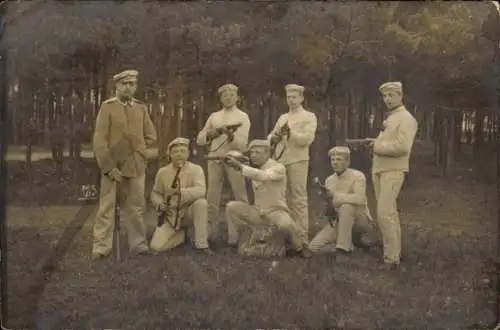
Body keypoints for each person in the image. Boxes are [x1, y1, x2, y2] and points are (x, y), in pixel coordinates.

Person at [92, 69, 157, 259]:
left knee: (136, 206)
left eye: (132, 84)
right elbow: (100, 141)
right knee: (107, 207)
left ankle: (138, 244)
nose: (128, 87)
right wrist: (109, 167)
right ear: (117, 86)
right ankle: (101, 247)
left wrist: (141, 154)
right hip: (112, 168)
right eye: (124, 84)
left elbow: (151, 137)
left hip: (136, 167)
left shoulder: (141, 108)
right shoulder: (107, 108)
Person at [224, 139, 313, 258]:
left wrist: (240, 166)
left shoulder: (278, 167)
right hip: (258, 211)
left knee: (286, 224)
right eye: (252, 153)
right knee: (232, 207)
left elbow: (263, 176)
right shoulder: (254, 167)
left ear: (267, 153)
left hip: (276, 212)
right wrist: (240, 165)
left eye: (257, 152)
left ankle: (299, 247)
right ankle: (234, 242)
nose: (253, 155)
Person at [370, 81, 418, 269]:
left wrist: (376, 146)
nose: (387, 100)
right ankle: (394, 255)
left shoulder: (406, 118)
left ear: (400, 95)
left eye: (392, 95)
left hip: (394, 169)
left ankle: (390, 260)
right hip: (381, 169)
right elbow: (388, 143)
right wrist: (374, 143)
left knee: (384, 213)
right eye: (385, 96)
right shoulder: (391, 118)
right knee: (389, 213)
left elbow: (402, 147)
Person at [196, 83, 250, 242]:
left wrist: (231, 135)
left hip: (234, 159)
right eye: (225, 95)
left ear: (237, 97)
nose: (228, 97)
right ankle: (209, 233)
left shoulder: (243, 116)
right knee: (212, 196)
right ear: (220, 98)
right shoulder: (214, 116)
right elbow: (200, 139)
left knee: (240, 195)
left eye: (232, 95)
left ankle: (243, 233)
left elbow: (243, 144)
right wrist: (216, 132)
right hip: (214, 158)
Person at [267, 84, 317, 242]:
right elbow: (271, 137)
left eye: (294, 97)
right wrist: (273, 138)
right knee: (282, 198)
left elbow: (307, 139)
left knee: (299, 198)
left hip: (298, 160)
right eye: (289, 97)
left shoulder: (309, 116)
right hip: (281, 160)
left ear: (302, 98)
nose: (291, 100)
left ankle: (302, 238)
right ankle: (288, 235)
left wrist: (291, 133)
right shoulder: (283, 118)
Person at [149, 137, 212, 254]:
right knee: (156, 247)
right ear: (170, 155)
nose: (179, 154)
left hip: (189, 212)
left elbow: (201, 191)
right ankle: (181, 236)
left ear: (188, 154)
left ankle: (202, 244)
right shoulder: (163, 172)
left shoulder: (196, 170)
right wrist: (159, 204)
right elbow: (155, 193)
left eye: (183, 151)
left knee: (201, 203)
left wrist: (180, 192)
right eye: (175, 152)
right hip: (171, 215)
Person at [309, 146, 374, 254]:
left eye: (339, 159)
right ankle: (351, 247)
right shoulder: (329, 180)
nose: (335, 163)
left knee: (346, 207)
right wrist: (328, 206)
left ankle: (343, 250)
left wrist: (334, 196)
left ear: (347, 161)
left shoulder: (358, 176)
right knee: (313, 248)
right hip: (339, 221)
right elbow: (331, 207)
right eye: (333, 160)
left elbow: (360, 199)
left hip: (359, 219)